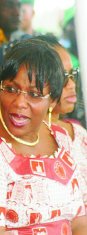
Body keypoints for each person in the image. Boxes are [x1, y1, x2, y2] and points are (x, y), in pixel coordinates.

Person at [0, 39, 87, 234]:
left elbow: (80, 222)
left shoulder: (60, 138)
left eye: (34, 94)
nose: (19, 102)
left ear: (53, 101)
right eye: (11, 89)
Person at [36, 35, 87, 208]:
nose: (71, 84)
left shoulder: (79, 135)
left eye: (72, 75)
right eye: (63, 77)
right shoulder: (23, 140)